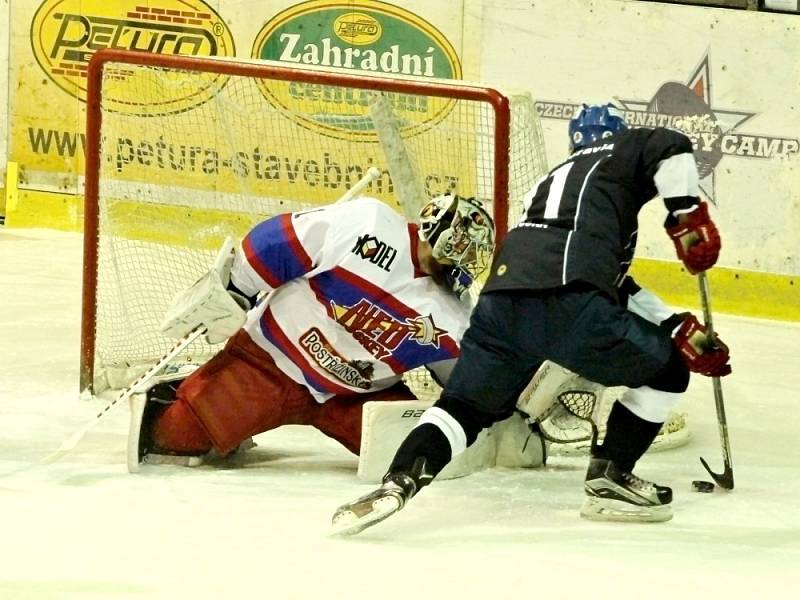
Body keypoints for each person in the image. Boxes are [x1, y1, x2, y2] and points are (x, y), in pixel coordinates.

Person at [332, 103, 732, 534]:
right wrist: (686, 213)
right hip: (570, 304)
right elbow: (671, 146)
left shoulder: (550, 184)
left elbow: (609, 281)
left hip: (501, 304)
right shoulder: (620, 152)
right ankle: (611, 477)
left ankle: (400, 481)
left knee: (461, 409)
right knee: (667, 373)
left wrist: (672, 323)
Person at [126, 193, 496, 472]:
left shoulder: (454, 314)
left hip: (354, 399)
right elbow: (276, 242)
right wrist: (237, 288)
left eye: (472, 252)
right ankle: (185, 390)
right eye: (462, 245)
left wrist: (499, 398)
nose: (465, 259)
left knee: (417, 459)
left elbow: (464, 382)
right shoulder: (368, 224)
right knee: (173, 439)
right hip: (268, 363)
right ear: (437, 227)